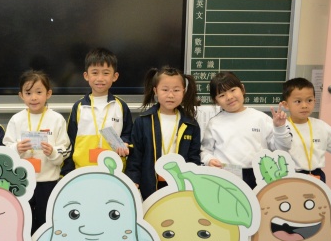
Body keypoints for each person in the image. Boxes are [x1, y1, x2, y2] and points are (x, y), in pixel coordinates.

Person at [3, 70, 71, 241]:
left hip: (48, 182)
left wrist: (53, 152)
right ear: (21, 95)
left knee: (45, 225)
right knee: (23, 225)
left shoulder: (57, 119)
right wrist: (16, 148)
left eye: (39, 92)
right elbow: (6, 149)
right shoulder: (16, 120)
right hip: (22, 183)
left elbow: (65, 150)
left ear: (48, 94)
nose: (34, 97)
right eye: (28, 92)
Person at [200, 71, 290, 188]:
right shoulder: (214, 123)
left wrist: (279, 128)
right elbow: (205, 150)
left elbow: (281, 149)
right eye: (222, 95)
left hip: (259, 174)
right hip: (226, 175)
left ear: (242, 89)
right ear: (216, 101)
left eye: (233, 90)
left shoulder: (260, 118)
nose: (229, 97)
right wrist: (209, 160)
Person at [125, 66, 202, 200]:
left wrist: (193, 182)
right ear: (155, 90)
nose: (170, 95)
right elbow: (136, 156)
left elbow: (194, 157)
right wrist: (133, 179)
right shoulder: (143, 121)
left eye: (176, 90)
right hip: (149, 185)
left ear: (183, 91)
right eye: (165, 90)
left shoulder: (191, 124)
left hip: (180, 185)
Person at [61, 47, 133, 176]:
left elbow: (128, 134)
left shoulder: (121, 106)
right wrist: (67, 173)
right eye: (95, 73)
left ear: (115, 76)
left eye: (106, 73)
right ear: (86, 76)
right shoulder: (79, 107)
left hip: (114, 172)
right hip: (82, 172)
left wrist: (125, 143)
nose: (100, 78)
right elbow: (70, 142)